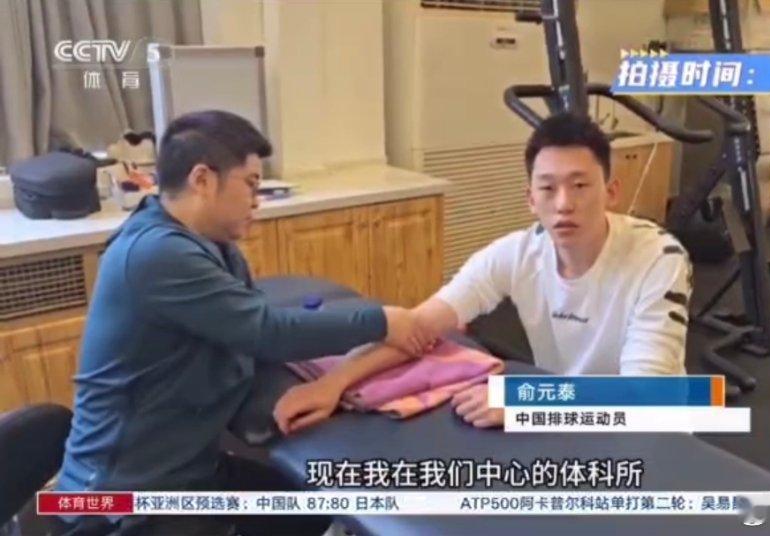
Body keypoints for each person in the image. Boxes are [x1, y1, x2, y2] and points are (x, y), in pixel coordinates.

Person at [55, 110, 431, 536]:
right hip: (121, 502)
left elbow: (247, 329)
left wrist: (336, 377)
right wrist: (381, 321)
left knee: (308, 512)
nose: (257, 199)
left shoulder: (211, 245)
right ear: (202, 179)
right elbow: (266, 331)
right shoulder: (156, 253)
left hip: (188, 474)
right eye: (250, 184)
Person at [273, 112, 692, 432]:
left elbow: (648, 396)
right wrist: (332, 384)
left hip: (651, 431)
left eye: (580, 186)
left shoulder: (658, 258)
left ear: (611, 192)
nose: (564, 203)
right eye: (548, 188)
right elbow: (417, 327)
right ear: (530, 199)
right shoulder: (517, 253)